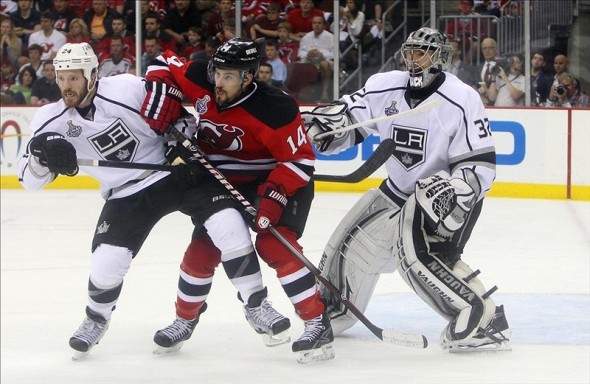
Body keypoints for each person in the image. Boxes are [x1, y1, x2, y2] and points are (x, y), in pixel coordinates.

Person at [16, 42, 288, 360]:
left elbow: (177, 115)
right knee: (107, 262)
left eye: (74, 78)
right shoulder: (50, 121)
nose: (66, 86)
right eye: (61, 78)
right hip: (126, 193)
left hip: (172, 174)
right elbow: (29, 181)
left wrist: (182, 142)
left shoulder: (127, 89)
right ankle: (95, 319)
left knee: (228, 224)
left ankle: (256, 304)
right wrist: (41, 156)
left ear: (92, 74)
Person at [304, 27, 511, 353]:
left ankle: (482, 318)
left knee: (420, 256)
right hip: (397, 190)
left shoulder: (462, 99)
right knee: (352, 245)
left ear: (440, 57)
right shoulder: (384, 86)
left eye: (423, 52)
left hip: (443, 200)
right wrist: (328, 128)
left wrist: (454, 192)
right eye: (411, 52)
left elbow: (480, 164)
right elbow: (351, 118)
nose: (414, 59)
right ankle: (335, 307)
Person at [141, 38, 335, 363]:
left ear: (248, 77)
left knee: (275, 245)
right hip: (223, 184)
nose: (218, 82)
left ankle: (317, 322)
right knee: (202, 252)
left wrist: (272, 198)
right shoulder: (201, 76)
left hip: (277, 182)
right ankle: (184, 319)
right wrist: (165, 99)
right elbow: (162, 61)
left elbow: (300, 161)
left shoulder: (276, 107)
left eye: (228, 76)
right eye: (217, 72)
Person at [298, 14, 334, 102]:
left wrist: (322, 55)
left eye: (319, 23)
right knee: (298, 65)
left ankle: (324, 93)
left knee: (324, 64)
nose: (316, 25)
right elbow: (300, 53)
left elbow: (336, 54)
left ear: (324, 25)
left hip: (326, 61)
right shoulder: (307, 37)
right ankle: (303, 93)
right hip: (310, 61)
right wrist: (308, 54)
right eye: (314, 23)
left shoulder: (330, 37)